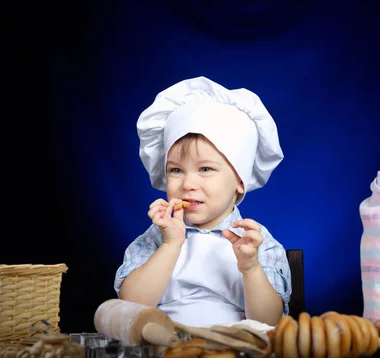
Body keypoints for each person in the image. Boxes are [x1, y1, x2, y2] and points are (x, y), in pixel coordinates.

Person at [113, 76, 291, 327]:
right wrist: (170, 245)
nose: (187, 184)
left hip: (238, 350)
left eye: (205, 169)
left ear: (240, 180)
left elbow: (268, 321)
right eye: (176, 170)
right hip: (162, 350)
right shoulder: (156, 238)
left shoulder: (257, 245)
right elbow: (130, 306)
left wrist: (250, 267)